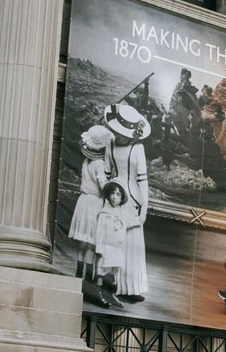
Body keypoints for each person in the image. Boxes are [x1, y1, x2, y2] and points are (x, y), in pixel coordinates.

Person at [104, 102, 151, 302]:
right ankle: (111, 285)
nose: (118, 134)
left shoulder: (138, 148)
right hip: (114, 199)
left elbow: (143, 181)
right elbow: (106, 175)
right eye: (116, 130)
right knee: (114, 243)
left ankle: (131, 289)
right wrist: (107, 199)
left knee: (132, 245)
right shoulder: (110, 144)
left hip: (133, 202)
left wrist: (144, 210)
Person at [69, 125, 113, 279]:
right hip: (94, 203)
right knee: (91, 243)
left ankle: (78, 273)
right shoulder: (99, 164)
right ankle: (87, 277)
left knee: (82, 243)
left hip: (83, 201)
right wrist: (111, 187)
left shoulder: (86, 161)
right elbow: (102, 183)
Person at [90, 180, 135, 309]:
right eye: (112, 194)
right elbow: (99, 232)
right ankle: (97, 293)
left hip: (117, 248)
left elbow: (129, 223)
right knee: (101, 270)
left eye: (118, 194)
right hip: (106, 247)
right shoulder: (104, 213)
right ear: (108, 196)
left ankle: (110, 293)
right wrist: (99, 248)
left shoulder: (122, 214)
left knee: (113, 271)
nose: (114, 197)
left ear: (121, 198)